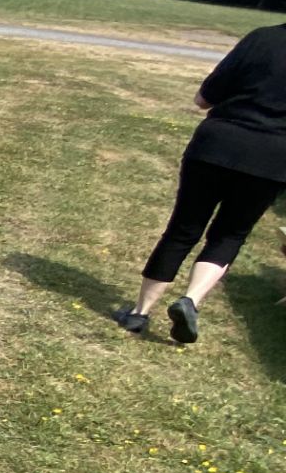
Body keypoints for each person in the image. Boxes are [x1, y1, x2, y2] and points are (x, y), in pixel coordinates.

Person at [115, 23, 286, 343]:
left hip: (217, 145)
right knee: (230, 234)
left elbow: (204, 99)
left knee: (183, 229)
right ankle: (190, 300)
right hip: (273, 159)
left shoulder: (262, 39)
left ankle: (139, 313)